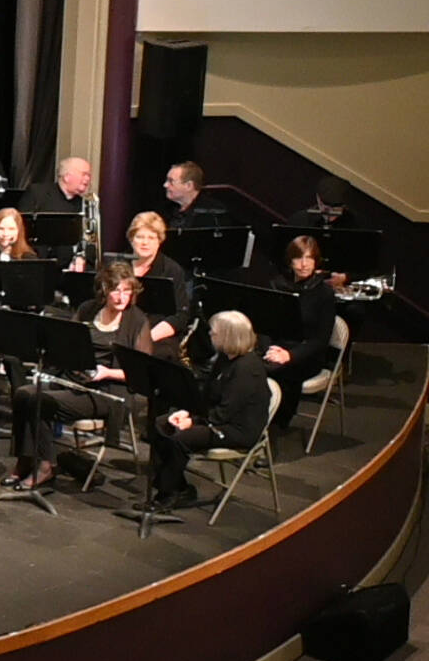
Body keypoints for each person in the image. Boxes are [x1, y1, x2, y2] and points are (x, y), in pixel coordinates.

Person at [7, 261, 152, 490]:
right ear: (103, 290)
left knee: (38, 400)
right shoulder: (88, 309)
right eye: (115, 290)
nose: (121, 297)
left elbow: (142, 372)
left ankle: (45, 465)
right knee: (23, 394)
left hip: (108, 391)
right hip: (75, 379)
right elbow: (67, 343)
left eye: (126, 290)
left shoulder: (137, 321)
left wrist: (107, 372)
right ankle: (25, 460)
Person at [146, 310, 271, 510]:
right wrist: (187, 412)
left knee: (180, 439)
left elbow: (225, 412)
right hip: (217, 418)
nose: (210, 335)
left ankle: (167, 493)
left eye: (214, 332)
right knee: (162, 423)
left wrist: (194, 422)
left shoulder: (247, 369)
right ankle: (179, 487)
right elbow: (207, 396)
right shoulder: (224, 358)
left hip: (237, 429)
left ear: (228, 336)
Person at [262, 235, 339, 430]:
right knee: (248, 364)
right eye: (299, 258)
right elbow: (266, 325)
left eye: (309, 258)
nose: (304, 264)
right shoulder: (278, 285)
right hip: (278, 347)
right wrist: (269, 348)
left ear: (316, 261)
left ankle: (274, 426)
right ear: (290, 260)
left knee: (277, 371)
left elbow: (320, 340)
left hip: (307, 354)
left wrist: (290, 355)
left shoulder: (324, 293)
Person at [122, 211, 195, 362]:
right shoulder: (120, 265)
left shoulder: (171, 270)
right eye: (140, 237)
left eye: (151, 238)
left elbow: (180, 316)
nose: (145, 243)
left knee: (155, 355)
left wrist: (147, 337)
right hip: (123, 327)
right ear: (131, 240)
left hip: (157, 332)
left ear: (159, 241)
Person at [163, 161, 231, 232]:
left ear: (189, 186)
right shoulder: (168, 210)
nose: (165, 185)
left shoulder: (212, 213)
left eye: (171, 181)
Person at [19, 157, 92, 215]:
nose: (87, 179)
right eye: (84, 174)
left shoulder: (83, 204)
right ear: (67, 177)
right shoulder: (37, 193)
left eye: (89, 175)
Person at [292, 175, 361, 232]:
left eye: (335, 208)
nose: (329, 212)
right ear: (317, 198)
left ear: (344, 205)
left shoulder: (357, 226)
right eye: (325, 206)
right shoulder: (300, 221)